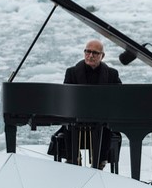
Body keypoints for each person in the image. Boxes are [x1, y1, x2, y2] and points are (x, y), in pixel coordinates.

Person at [49, 39, 122, 169]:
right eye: (88, 51)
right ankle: (73, 160)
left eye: (95, 53)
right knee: (68, 127)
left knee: (107, 129)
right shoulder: (71, 72)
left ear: (102, 56)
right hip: (77, 122)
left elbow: (119, 99)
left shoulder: (112, 74)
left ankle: (100, 162)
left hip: (102, 121)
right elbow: (66, 99)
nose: (90, 55)